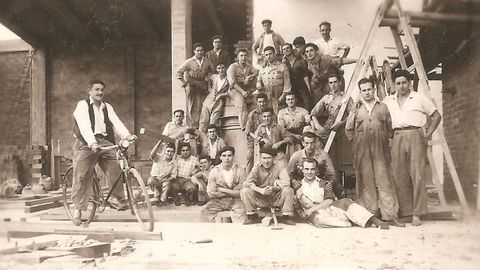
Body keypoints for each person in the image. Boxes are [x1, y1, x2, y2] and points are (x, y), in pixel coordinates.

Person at [71, 79, 136, 225]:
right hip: (85, 142)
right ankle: (78, 210)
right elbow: (84, 125)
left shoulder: (107, 107)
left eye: (102, 90)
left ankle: (116, 198)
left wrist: (127, 135)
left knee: (116, 167)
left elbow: (116, 122)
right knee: (81, 175)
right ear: (90, 91)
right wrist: (92, 142)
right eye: (96, 89)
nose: (100, 92)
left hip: (104, 141)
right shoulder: (82, 105)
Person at [383, 69, 442, 226]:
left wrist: (428, 134)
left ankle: (418, 213)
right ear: (394, 84)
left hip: (415, 134)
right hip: (397, 136)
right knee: (399, 175)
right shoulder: (388, 100)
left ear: (409, 83)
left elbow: (436, 115)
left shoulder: (419, 98)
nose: (401, 86)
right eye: (398, 83)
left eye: (404, 82)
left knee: (418, 174)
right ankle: (407, 212)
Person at [345, 78, 405, 227]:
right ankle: (371, 215)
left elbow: (390, 128)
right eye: (364, 90)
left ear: (374, 90)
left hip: (380, 149)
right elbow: (348, 130)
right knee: (366, 182)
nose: (367, 92)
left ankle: (390, 215)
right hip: (362, 150)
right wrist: (359, 142)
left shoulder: (383, 107)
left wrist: (382, 141)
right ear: (360, 92)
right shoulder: (356, 109)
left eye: (369, 89)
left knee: (384, 181)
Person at [294, 158, 389, 229]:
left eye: (312, 169)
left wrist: (312, 209)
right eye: (307, 169)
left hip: (327, 208)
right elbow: (297, 204)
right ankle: (352, 221)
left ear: (316, 170)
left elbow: (329, 200)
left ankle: (376, 221)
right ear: (302, 170)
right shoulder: (298, 185)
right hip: (316, 214)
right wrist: (305, 213)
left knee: (346, 202)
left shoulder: (323, 182)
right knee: (320, 221)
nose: (309, 172)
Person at [309, 73, 354, 181]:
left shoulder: (346, 97)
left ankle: (337, 186)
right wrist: (317, 125)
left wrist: (341, 123)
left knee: (337, 162)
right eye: (331, 83)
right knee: (326, 159)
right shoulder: (326, 98)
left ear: (340, 83)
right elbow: (313, 113)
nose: (333, 85)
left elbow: (353, 115)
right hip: (328, 132)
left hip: (341, 133)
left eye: (335, 82)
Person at [240, 146, 296, 225]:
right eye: (264, 158)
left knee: (288, 190)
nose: (266, 161)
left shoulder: (280, 165)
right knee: (245, 191)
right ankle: (252, 216)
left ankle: (285, 216)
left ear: (274, 159)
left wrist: (273, 188)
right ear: (260, 158)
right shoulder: (257, 166)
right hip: (261, 197)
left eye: (269, 158)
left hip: (275, 197)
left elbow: (286, 183)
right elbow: (246, 183)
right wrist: (260, 190)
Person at [201, 146, 247, 223]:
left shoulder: (240, 170)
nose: (227, 158)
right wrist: (232, 192)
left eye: (229, 155)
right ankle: (213, 232)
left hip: (235, 201)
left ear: (233, 156)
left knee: (241, 211)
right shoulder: (214, 171)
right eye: (224, 156)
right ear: (220, 157)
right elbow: (211, 194)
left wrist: (222, 189)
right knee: (204, 212)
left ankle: (238, 232)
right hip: (218, 201)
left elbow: (241, 193)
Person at [176, 43, 215, 128]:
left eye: (201, 50)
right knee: (191, 106)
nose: (200, 52)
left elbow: (212, 71)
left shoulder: (207, 61)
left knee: (202, 106)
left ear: (204, 51)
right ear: (194, 51)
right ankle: (191, 127)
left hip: (202, 85)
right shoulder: (189, 61)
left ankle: (201, 126)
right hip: (192, 85)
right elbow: (179, 72)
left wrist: (208, 77)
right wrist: (184, 83)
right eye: (198, 50)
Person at [287, 131, 338, 196]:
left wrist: (330, 183)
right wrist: (293, 181)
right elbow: (288, 174)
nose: (309, 146)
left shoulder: (324, 155)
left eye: (312, 143)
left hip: (319, 183)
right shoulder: (296, 156)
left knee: (335, 190)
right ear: (303, 143)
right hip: (301, 183)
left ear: (315, 143)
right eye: (307, 143)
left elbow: (332, 175)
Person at [227, 48, 259, 129]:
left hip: (246, 89)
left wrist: (249, 77)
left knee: (256, 101)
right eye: (241, 56)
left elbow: (257, 71)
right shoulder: (232, 67)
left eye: (245, 55)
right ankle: (244, 127)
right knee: (242, 103)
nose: (243, 57)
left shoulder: (248, 66)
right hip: (235, 90)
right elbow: (232, 83)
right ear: (237, 57)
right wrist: (243, 92)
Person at [256, 46, 292, 115]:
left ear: (274, 54)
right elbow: (259, 79)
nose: (269, 56)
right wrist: (259, 85)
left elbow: (287, 83)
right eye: (266, 55)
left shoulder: (282, 66)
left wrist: (283, 96)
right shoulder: (263, 68)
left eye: (270, 54)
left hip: (278, 94)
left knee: (278, 113)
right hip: (267, 95)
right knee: (267, 114)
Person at [199, 62, 230, 133]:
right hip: (209, 100)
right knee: (203, 122)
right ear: (216, 69)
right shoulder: (214, 76)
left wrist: (221, 95)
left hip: (219, 102)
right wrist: (210, 89)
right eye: (219, 68)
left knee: (213, 123)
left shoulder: (228, 78)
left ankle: (212, 140)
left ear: (226, 68)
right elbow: (207, 78)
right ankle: (201, 140)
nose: (221, 70)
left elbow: (229, 92)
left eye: (223, 68)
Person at [281, 43, 312, 110]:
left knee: (306, 105)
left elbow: (305, 76)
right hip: (292, 89)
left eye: (287, 48)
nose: (286, 50)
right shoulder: (284, 63)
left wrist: (309, 89)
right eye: (284, 49)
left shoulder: (301, 61)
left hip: (303, 88)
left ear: (291, 49)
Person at [148, 142, 177, 207]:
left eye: (172, 152)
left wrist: (165, 180)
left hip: (164, 180)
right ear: (165, 151)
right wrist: (159, 142)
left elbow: (174, 176)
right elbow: (152, 154)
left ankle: (162, 200)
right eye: (168, 151)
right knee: (151, 180)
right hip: (155, 179)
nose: (169, 153)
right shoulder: (159, 157)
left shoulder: (174, 162)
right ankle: (156, 196)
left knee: (168, 183)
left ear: (174, 152)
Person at [245, 93, 268, 172]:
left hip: (267, 138)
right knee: (250, 157)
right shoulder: (252, 114)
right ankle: (248, 177)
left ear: (266, 102)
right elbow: (248, 131)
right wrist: (256, 137)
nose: (262, 104)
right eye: (260, 102)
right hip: (253, 139)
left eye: (263, 101)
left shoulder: (270, 113)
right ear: (257, 103)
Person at [172, 142, 200, 206]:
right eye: (183, 150)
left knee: (192, 188)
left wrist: (196, 170)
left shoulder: (194, 159)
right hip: (178, 179)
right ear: (180, 151)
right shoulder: (178, 158)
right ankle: (176, 198)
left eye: (187, 150)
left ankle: (188, 198)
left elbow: (200, 167)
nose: (185, 152)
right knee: (172, 186)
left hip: (188, 180)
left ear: (190, 150)